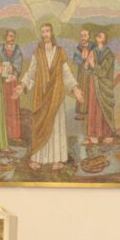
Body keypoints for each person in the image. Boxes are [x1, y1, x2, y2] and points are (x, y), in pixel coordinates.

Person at [19, 22, 81, 170]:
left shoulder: (59, 52)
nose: (45, 34)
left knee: (56, 127)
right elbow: (31, 73)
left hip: (56, 95)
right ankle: (37, 158)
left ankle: (56, 160)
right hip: (41, 95)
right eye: (43, 32)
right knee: (40, 126)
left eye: (47, 31)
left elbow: (66, 73)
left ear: (52, 33)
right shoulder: (38, 53)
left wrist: (75, 89)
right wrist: (22, 85)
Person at [86, 30, 117, 144]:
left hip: (104, 84)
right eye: (97, 35)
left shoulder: (109, 54)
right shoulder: (93, 51)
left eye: (101, 36)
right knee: (94, 108)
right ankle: (94, 134)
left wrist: (92, 64)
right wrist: (87, 62)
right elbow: (86, 68)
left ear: (105, 39)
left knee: (105, 108)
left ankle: (107, 134)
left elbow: (103, 71)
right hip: (94, 83)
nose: (98, 37)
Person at [0, 30, 24, 142]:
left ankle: (14, 135)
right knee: (3, 106)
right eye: (10, 36)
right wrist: (3, 69)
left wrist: (13, 68)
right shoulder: (1, 48)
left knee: (13, 107)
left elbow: (19, 63)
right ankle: (2, 135)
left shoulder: (17, 49)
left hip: (13, 81)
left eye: (13, 36)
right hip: (2, 82)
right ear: (5, 37)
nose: (12, 38)